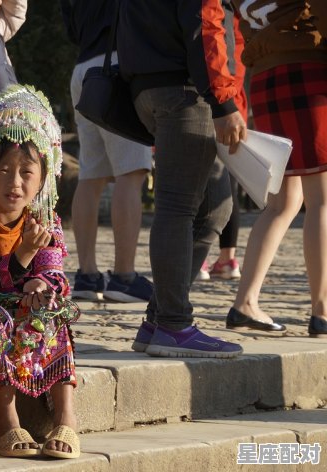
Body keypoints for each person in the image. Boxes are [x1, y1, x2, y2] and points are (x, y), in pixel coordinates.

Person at [0, 84, 81, 459]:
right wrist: (23, 254)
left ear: (43, 178)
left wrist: (42, 282)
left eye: (27, 172)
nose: (15, 183)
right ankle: (7, 421)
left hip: (30, 308)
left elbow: (55, 269)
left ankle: (67, 418)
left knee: (53, 311)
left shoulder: (45, 219)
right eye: (4, 170)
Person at [117, 0, 246, 357]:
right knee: (178, 207)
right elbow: (205, 25)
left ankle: (158, 319)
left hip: (156, 85)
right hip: (186, 89)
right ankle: (173, 324)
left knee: (215, 208)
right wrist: (223, 102)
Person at [226, 0, 326, 337]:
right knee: (322, 199)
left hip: (265, 76)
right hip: (307, 70)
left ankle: (246, 302)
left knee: (284, 202)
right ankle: (323, 309)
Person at [61, 0, 154, 303]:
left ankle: (87, 275)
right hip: (118, 65)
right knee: (131, 172)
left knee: (91, 174)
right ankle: (124, 275)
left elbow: (73, 31)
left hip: (84, 69)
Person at [197, 10, 249, 282]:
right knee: (227, 181)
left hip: (214, 100)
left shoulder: (216, 11)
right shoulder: (237, 12)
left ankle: (201, 258)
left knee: (200, 181)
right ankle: (228, 258)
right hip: (234, 101)